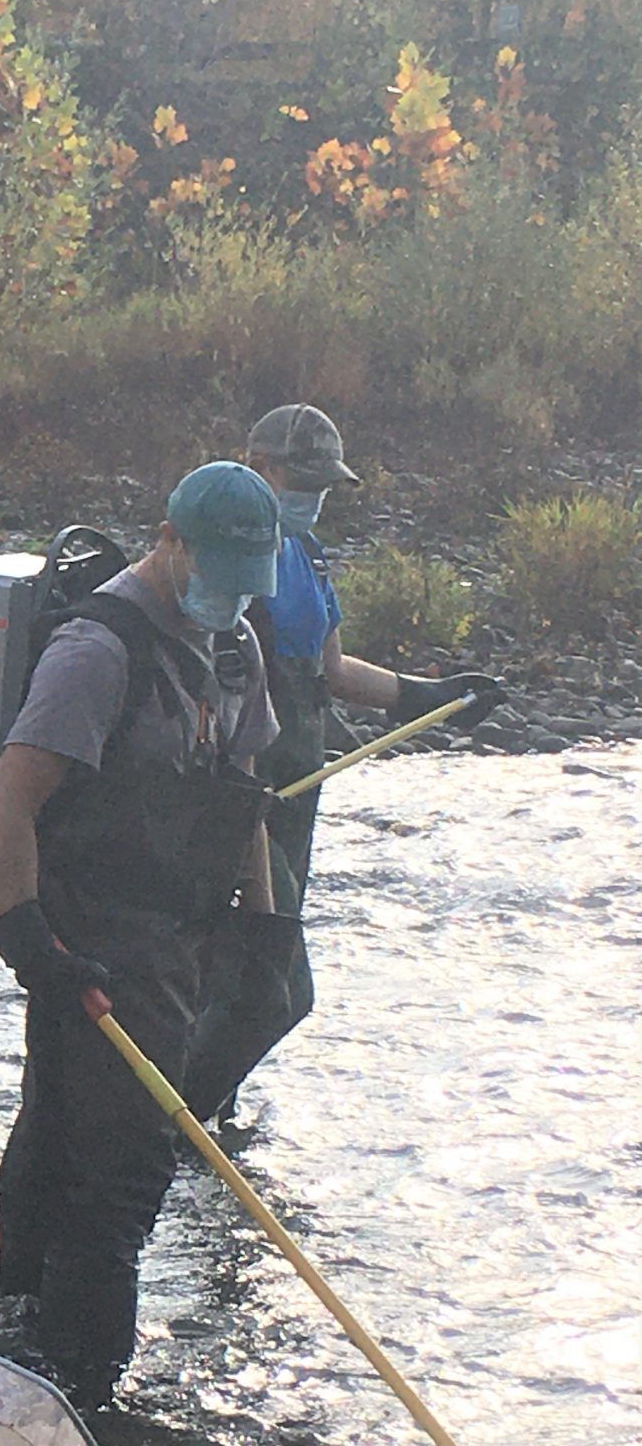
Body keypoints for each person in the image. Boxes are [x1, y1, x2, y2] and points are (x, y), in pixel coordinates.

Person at [0, 463, 284, 1407]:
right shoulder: (95, 651)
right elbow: (9, 806)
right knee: (123, 1177)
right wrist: (30, 941)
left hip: (177, 939)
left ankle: (14, 1338)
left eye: (247, 577)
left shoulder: (232, 649)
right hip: (88, 941)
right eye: (218, 569)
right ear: (171, 541)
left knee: (62, 1142)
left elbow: (247, 800)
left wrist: (269, 936)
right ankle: (86, 1390)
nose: (231, 594)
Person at [183, 404, 506, 1121]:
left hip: (297, 797)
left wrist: (425, 696)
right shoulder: (222, 556)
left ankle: (205, 1124)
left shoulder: (307, 555)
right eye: (302, 480)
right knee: (276, 992)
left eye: (324, 485)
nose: (312, 497)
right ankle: (169, 1129)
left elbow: (328, 670)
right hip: (242, 800)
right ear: (258, 467)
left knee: (235, 983)